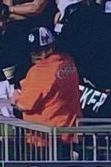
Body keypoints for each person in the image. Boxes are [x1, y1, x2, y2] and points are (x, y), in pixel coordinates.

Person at [13, 27, 81, 157]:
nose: (34, 56)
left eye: (38, 52)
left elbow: (24, 105)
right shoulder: (67, 61)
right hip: (69, 131)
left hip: (43, 137)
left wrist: (16, 100)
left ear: (49, 49)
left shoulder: (40, 71)